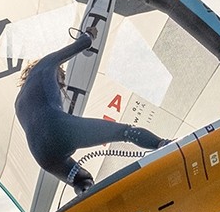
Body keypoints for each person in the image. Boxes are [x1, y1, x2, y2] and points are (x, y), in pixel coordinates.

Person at [15, 26, 168, 195]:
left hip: (42, 156)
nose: (61, 85)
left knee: (82, 179)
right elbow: (82, 44)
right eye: (61, 80)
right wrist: (89, 34)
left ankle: (86, 195)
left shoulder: (18, 103)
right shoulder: (47, 64)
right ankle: (164, 145)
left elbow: (40, 126)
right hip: (57, 127)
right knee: (125, 132)